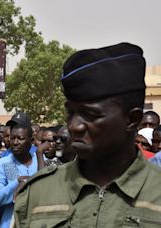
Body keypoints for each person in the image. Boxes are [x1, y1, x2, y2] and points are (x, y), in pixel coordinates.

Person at [14, 43, 161, 227]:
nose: (74, 126)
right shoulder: (38, 193)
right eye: (71, 113)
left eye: (91, 115)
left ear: (132, 119)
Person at [0, 122, 38, 228]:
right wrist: (17, 183)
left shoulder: (41, 161)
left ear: (31, 140)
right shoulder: (4, 163)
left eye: (20, 138)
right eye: (12, 138)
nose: (15, 142)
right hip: (11, 223)